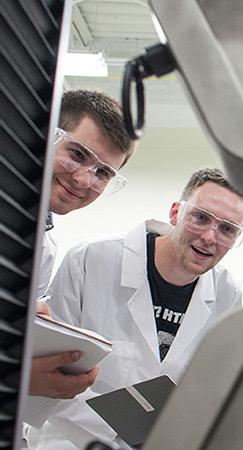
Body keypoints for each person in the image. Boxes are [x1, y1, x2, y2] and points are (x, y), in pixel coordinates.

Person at [27, 168, 243, 449]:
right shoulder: (91, 260)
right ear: (175, 213)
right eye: (201, 217)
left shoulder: (228, 294)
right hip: (72, 441)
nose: (209, 237)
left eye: (227, 229)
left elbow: (212, 393)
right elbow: (51, 376)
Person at [29, 90, 136, 411]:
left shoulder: (43, 247)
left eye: (103, 173)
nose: (82, 179)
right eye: (77, 154)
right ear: (45, 135)